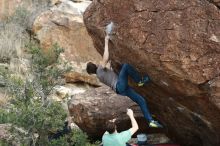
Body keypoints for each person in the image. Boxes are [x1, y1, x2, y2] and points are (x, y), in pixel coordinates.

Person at [86, 24, 162, 128]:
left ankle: (150, 121)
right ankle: (140, 81)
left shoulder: (99, 75)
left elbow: (108, 67)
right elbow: (105, 57)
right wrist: (106, 41)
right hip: (120, 85)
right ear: (94, 66)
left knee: (141, 100)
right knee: (126, 66)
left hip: (120, 90)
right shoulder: (99, 69)